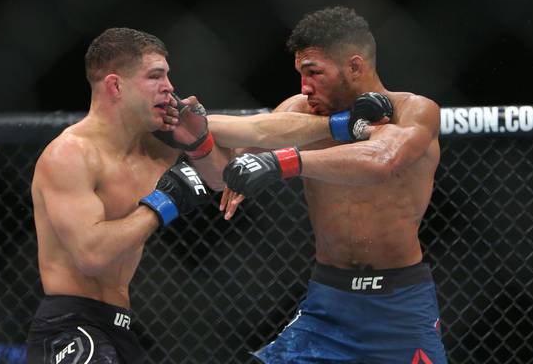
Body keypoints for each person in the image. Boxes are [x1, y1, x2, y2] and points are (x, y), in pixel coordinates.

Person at [26, 27, 348, 364]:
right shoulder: (71, 155)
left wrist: (199, 144)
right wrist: (160, 205)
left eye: (167, 75)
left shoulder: (158, 145)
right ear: (115, 85)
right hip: (71, 326)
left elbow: (227, 171)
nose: (169, 87)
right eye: (155, 76)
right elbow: (92, 256)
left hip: (120, 325)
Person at [218, 6, 447, 363]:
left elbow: (382, 159)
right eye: (300, 74)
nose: (304, 87)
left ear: (355, 67)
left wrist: (283, 162)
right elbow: (231, 164)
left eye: (314, 73)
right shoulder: (300, 111)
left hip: (400, 308)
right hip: (327, 305)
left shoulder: (413, 110)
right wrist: (196, 139)